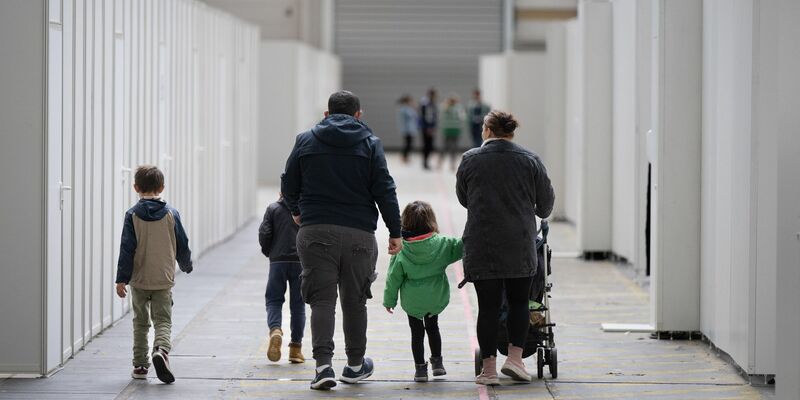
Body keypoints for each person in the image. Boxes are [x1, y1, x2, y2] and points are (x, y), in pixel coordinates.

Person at [281, 90, 403, 391]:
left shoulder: (305, 139)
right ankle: (355, 365)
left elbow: (288, 182)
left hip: (315, 231)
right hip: (359, 234)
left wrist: (297, 211)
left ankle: (323, 367)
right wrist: (395, 231)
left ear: (326, 114)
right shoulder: (370, 144)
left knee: (321, 300)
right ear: (358, 115)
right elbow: (384, 189)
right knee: (355, 301)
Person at [456, 111, 554, 386]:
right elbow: (545, 205)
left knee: (487, 307)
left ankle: (488, 370)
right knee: (519, 302)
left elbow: (464, 198)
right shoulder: (530, 160)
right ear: (511, 132)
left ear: (487, 130)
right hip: (519, 243)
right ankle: (515, 360)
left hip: (482, 243)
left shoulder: (470, 159)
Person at [115, 165, 193, 384]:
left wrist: (121, 279)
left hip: (139, 280)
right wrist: (186, 264)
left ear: (136, 187)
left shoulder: (131, 215)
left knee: (140, 322)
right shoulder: (171, 213)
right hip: (163, 278)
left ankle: (140, 366)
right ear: (162, 187)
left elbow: (126, 249)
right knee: (163, 321)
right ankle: (161, 350)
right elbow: (182, 243)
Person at [383, 201, 463, 383]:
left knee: (416, 333)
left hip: (413, 301)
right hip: (435, 297)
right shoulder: (442, 243)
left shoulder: (401, 249)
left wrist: (389, 301)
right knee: (433, 328)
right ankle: (438, 363)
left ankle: (420, 369)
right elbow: (461, 246)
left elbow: (393, 278)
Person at [259, 194, 306, 364]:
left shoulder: (273, 209)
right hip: (300, 262)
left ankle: (275, 330)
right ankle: (295, 349)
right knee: (298, 305)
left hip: (278, 261)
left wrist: (270, 253)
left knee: (273, 300)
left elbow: (264, 233)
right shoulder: (305, 209)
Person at [438, 95, 466, 171]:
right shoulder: (458, 108)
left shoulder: (444, 107)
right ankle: (451, 164)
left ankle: (441, 163)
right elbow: (463, 118)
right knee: (452, 148)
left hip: (448, 129)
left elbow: (440, 117)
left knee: (445, 147)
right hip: (454, 129)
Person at [419, 88, 439, 170]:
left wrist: (433, 126)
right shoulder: (426, 104)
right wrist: (428, 127)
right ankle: (425, 162)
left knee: (429, 145)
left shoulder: (432, 103)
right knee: (427, 145)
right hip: (426, 128)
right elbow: (425, 117)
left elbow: (434, 116)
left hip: (430, 127)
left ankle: (426, 161)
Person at [396, 94, 419, 163]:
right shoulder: (404, 109)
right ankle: (404, 156)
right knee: (407, 144)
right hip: (407, 130)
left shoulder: (409, 109)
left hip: (410, 129)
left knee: (409, 144)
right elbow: (411, 116)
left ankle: (405, 156)